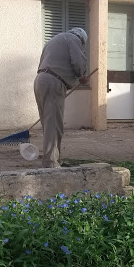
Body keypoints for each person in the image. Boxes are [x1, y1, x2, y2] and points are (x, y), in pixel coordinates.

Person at [34, 28, 90, 168]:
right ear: (82, 40)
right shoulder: (74, 40)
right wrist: (82, 76)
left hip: (40, 79)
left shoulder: (54, 40)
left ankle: (53, 159)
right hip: (54, 82)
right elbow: (78, 62)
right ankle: (51, 163)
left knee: (49, 124)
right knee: (54, 125)